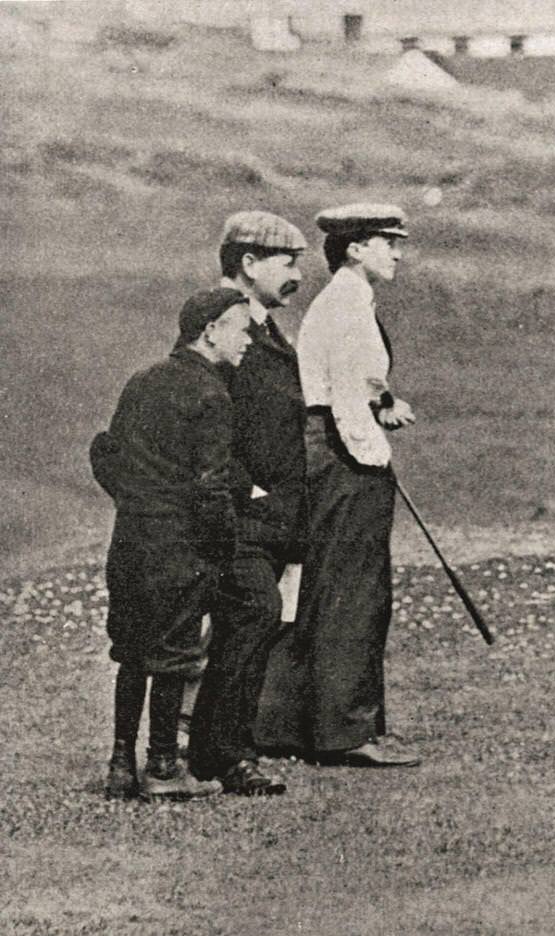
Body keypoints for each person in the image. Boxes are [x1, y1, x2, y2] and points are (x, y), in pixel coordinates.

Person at [255, 203, 421, 767]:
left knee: (321, 588)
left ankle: (283, 726)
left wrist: (385, 404)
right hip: (344, 460)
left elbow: (361, 385)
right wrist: (374, 456)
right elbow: (347, 402)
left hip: (331, 452)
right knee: (353, 595)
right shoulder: (347, 306)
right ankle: (347, 733)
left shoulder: (348, 303)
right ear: (354, 248)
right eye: (386, 241)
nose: (397, 252)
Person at [90, 288, 253, 800]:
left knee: (133, 652)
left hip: (132, 540)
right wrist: (221, 550)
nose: (248, 338)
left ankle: (121, 765)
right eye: (241, 327)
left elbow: (106, 455)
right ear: (210, 330)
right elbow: (211, 487)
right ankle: (162, 767)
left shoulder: (143, 381)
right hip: (180, 548)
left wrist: (138, 503)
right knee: (174, 656)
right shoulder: (211, 394)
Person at [187, 212, 308, 796]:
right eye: (288, 262)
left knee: (254, 623)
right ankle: (227, 754)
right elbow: (199, 414)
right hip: (236, 516)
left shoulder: (266, 331)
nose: (298, 276)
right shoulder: (221, 329)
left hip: (271, 515)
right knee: (253, 615)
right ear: (248, 264)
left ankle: (222, 748)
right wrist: (248, 489)